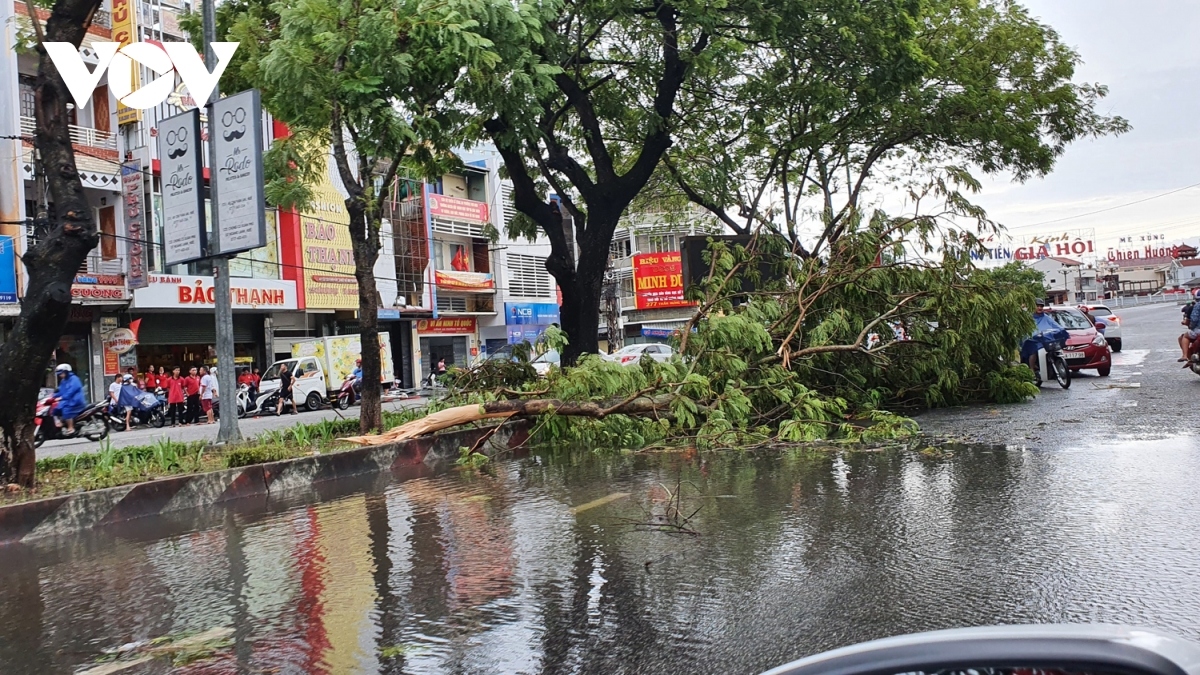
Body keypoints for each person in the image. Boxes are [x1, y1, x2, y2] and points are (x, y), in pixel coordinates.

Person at [1021, 299, 1067, 373]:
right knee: (1033, 351)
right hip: (1032, 341)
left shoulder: (1046, 317)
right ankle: (1032, 369)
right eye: (1037, 306)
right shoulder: (1028, 317)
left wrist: (1061, 330)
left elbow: (1055, 325)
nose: (1040, 308)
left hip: (1044, 340)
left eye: (1041, 306)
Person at [54, 364, 86, 436]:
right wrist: (53, 396)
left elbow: (71, 391)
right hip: (68, 400)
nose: (60, 375)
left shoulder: (74, 379)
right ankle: (62, 423)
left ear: (66, 372)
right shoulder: (63, 381)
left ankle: (71, 427)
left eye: (61, 373)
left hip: (76, 401)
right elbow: (60, 391)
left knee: (66, 410)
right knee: (56, 409)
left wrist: (62, 397)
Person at [1179, 292, 1200, 364]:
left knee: (1185, 336)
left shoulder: (1196, 306)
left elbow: (1194, 319)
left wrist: (1192, 326)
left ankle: (1185, 356)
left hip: (1198, 329)